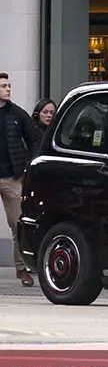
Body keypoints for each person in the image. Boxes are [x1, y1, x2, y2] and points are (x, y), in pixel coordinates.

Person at [0, 73, 44, 286]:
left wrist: (29, 165)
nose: (8, 89)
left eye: (9, 86)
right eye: (3, 86)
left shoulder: (17, 114)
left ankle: (21, 269)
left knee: (18, 224)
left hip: (12, 177)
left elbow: (35, 138)